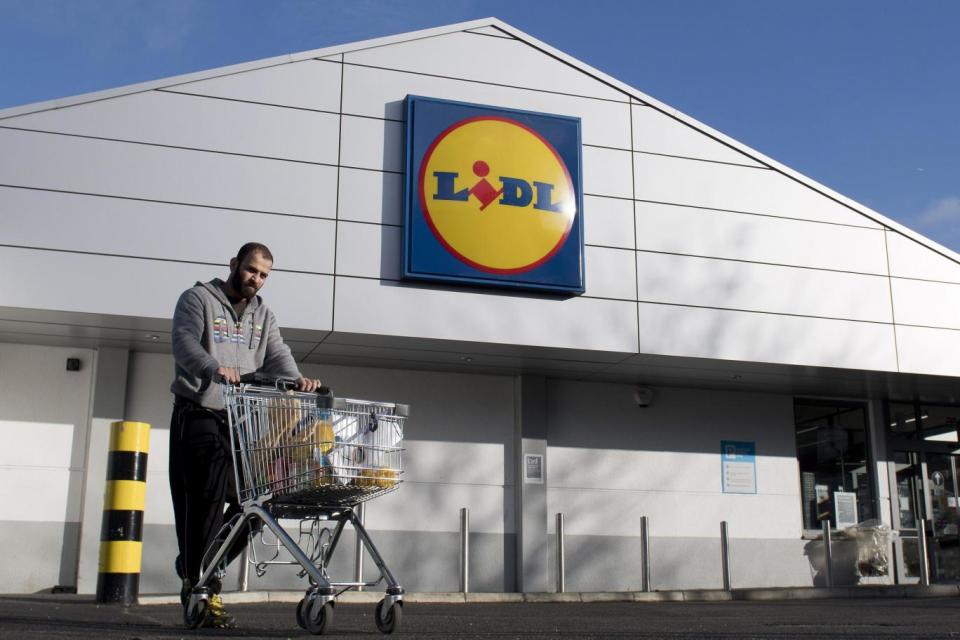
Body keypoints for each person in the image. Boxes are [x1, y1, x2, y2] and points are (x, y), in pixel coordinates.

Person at [168, 242, 321, 628]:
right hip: (199, 413)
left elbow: (278, 354)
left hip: (239, 421)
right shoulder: (198, 298)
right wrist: (213, 366)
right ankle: (201, 588)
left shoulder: (263, 314)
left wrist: (297, 380)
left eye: (264, 275)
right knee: (205, 503)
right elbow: (184, 342)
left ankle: (198, 565)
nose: (257, 280)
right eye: (252, 270)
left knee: (256, 506)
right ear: (235, 264)